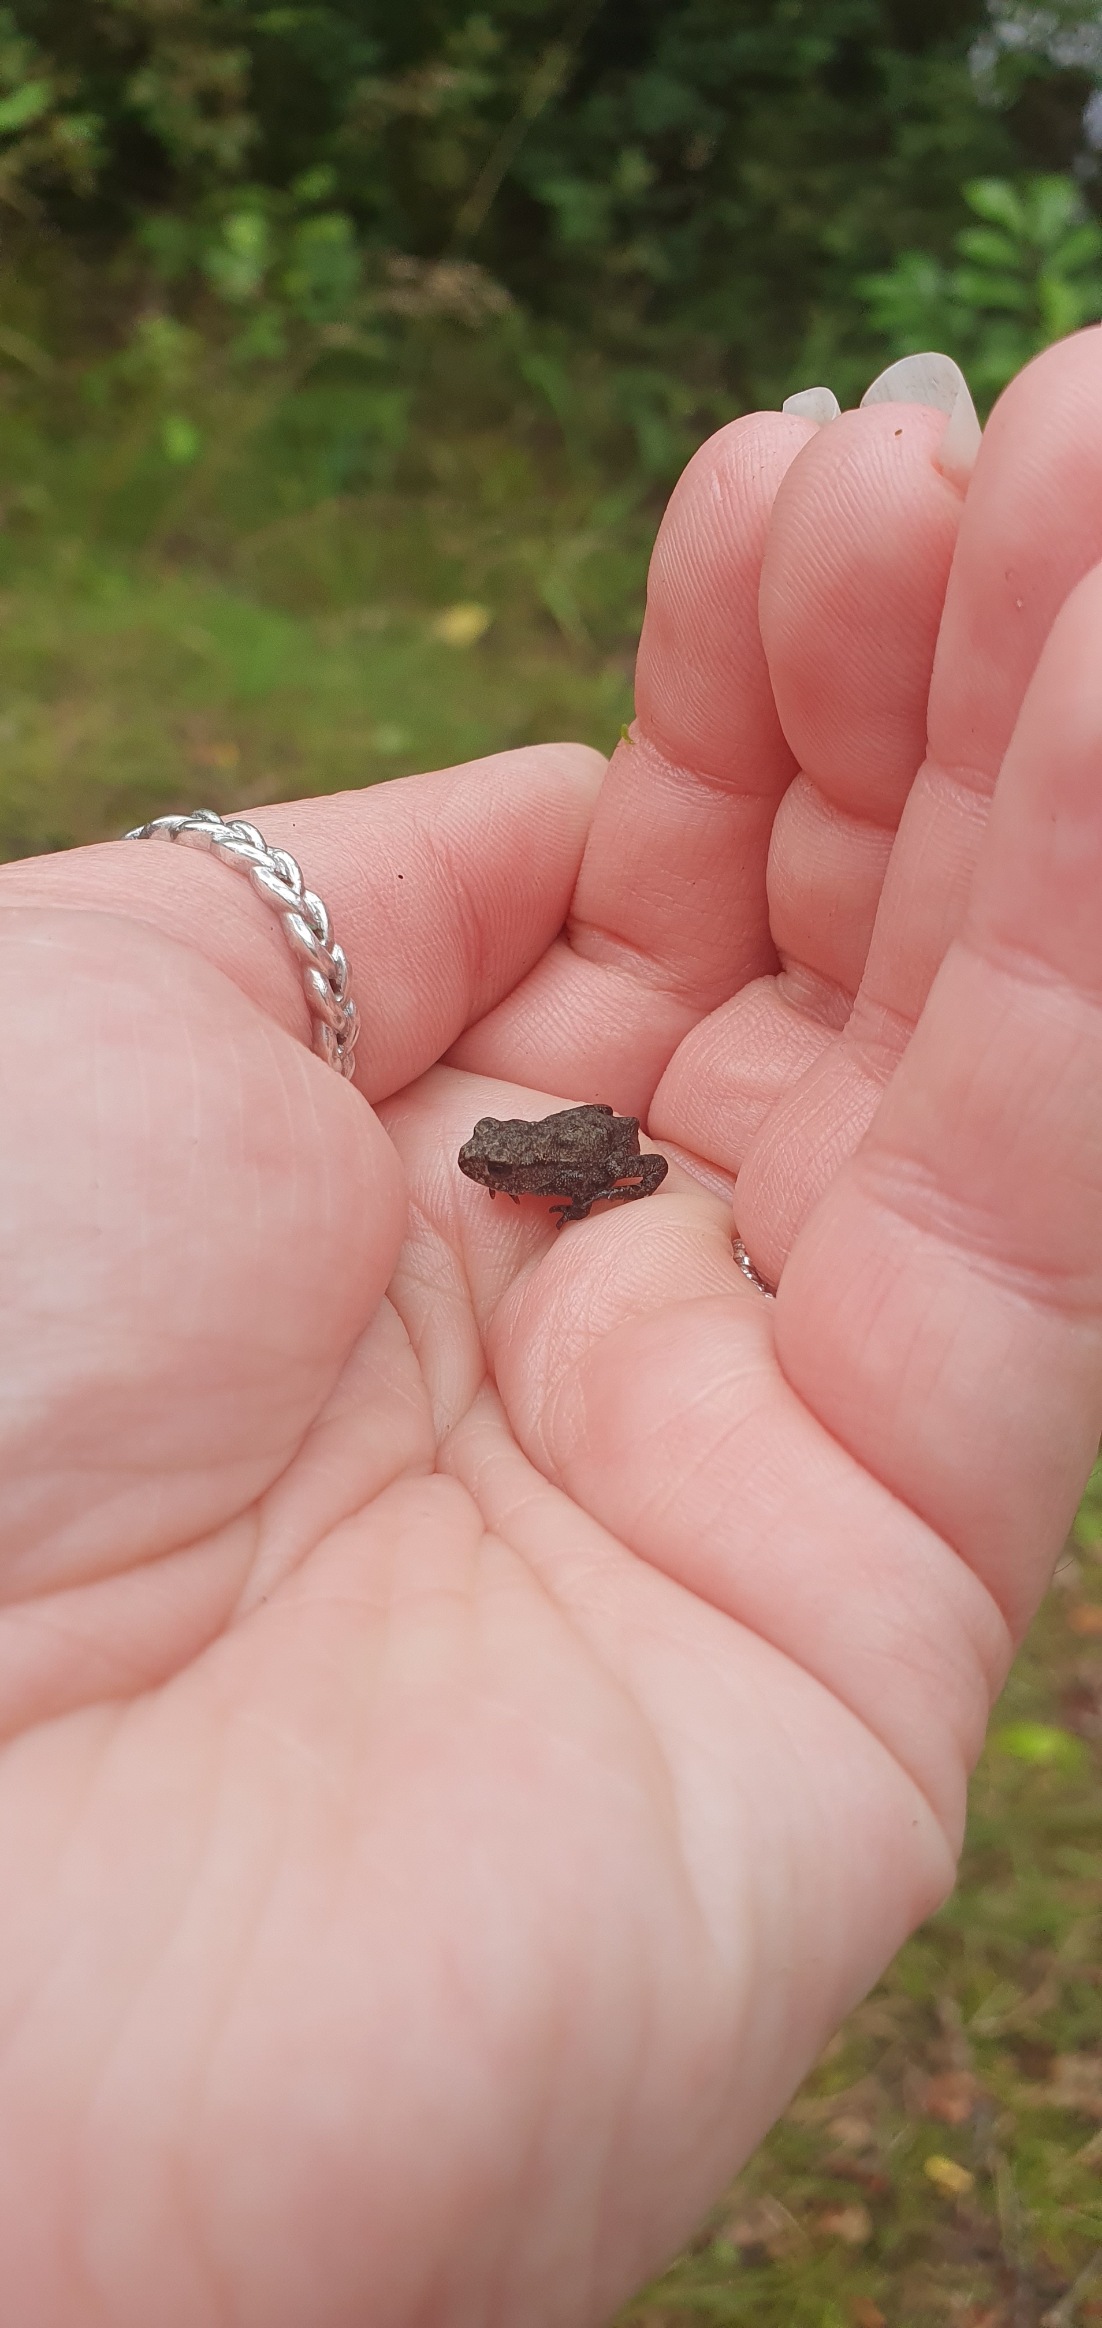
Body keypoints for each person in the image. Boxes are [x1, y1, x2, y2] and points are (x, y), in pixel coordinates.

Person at [0, 324, 1100, 2328]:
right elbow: (540, 1155)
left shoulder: (576, 1163)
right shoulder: (522, 1165)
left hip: (629, 1163)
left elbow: (598, 1157)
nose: (506, 1174)